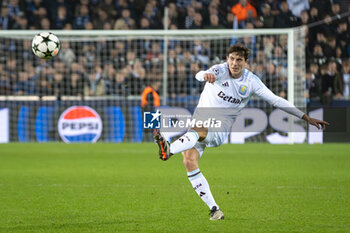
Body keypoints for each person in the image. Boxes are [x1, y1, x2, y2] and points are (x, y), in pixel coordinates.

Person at [154, 44, 329, 220]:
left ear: (246, 62)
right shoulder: (220, 70)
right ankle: (215, 209)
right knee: (189, 161)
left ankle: (168, 150)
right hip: (199, 124)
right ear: (227, 59)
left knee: (197, 130)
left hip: (218, 129)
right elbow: (199, 75)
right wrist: (205, 75)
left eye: (239, 60)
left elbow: (276, 100)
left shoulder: (251, 82)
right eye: (231, 58)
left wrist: (306, 117)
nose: (234, 63)